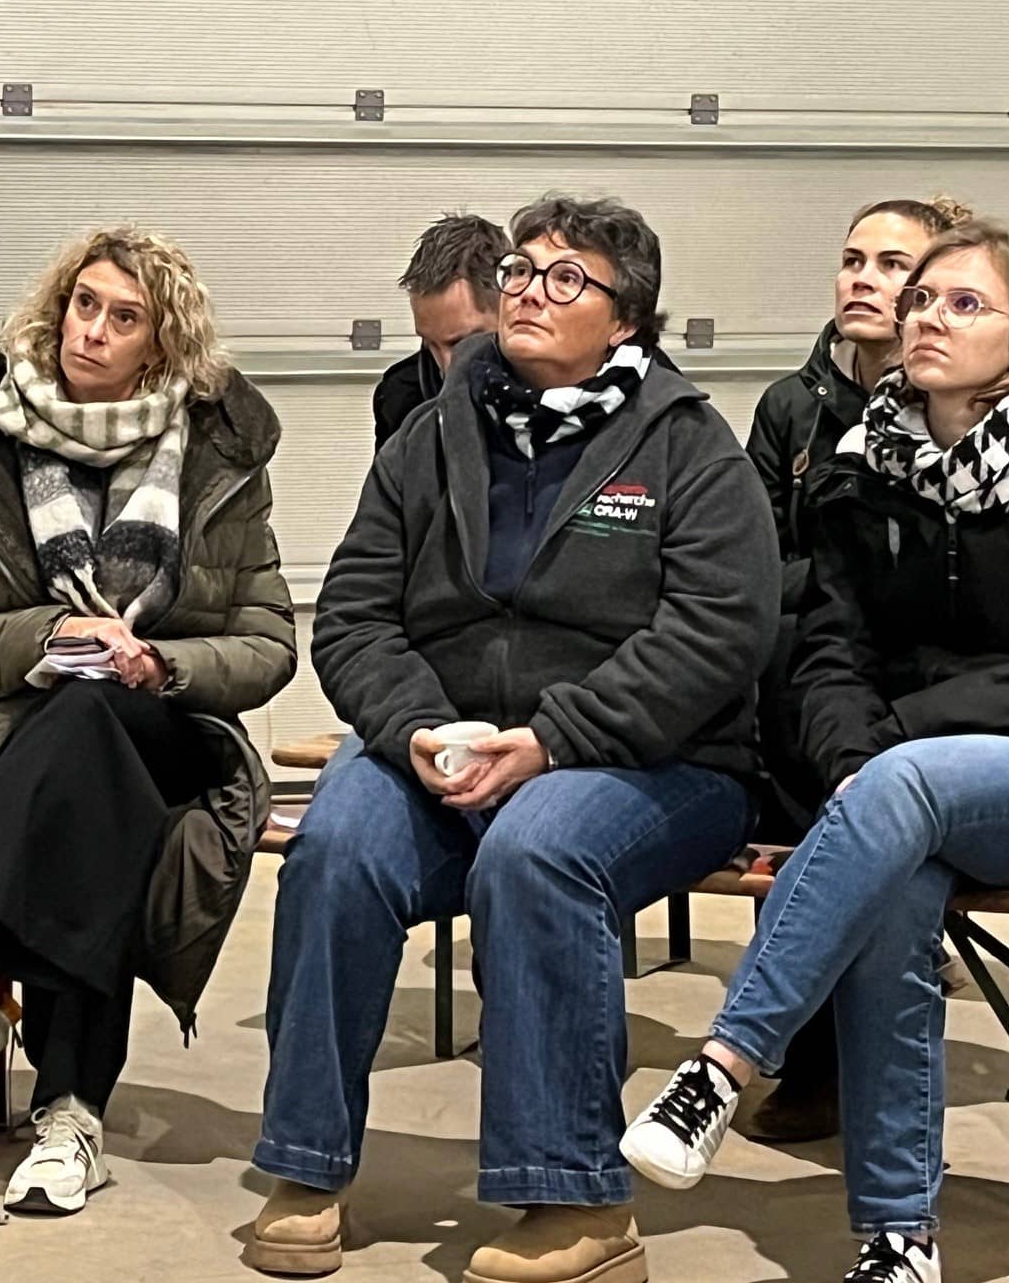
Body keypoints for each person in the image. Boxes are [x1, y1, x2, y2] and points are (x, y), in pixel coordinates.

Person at [246, 195, 778, 1283]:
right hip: (445, 743)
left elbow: (719, 632)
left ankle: (573, 1202)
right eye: (524, 272)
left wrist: (551, 739)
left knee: (541, 850)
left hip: (654, 761)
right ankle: (306, 1164)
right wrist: (416, 730)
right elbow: (354, 613)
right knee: (336, 847)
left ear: (626, 318)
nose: (533, 291)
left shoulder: (687, 444)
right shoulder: (432, 432)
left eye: (567, 278)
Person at [623, 222, 1009, 1283]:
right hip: (904, 787)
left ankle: (724, 1064)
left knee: (902, 793)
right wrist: (856, 756)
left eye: (965, 304)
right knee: (897, 895)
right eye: (923, 301)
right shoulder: (860, 469)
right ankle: (898, 1238)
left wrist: (907, 738)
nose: (926, 318)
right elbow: (827, 647)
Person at [0, 225, 295, 1217]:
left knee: (104, 707)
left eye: (125, 318)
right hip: (11, 734)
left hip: (173, 730)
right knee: (88, 780)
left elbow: (268, 644)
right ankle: (72, 1115)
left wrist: (158, 660)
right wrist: (46, 633)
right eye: (85, 305)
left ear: (160, 347)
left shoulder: (218, 459)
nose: (94, 332)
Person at [738, 194, 973, 1144]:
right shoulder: (791, 407)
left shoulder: (965, 415)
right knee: (798, 686)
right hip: (810, 679)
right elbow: (751, 564)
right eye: (852, 260)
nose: (864, 280)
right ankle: (806, 1051)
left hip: (921, 688)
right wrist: (831, 587)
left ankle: (830, 1059)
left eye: (890, 265)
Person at [373, 213, 511, 448]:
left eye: (462, 343)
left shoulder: (563, 391)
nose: (448, 366)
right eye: (430, 343)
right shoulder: (400, 396)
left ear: (510, 308)